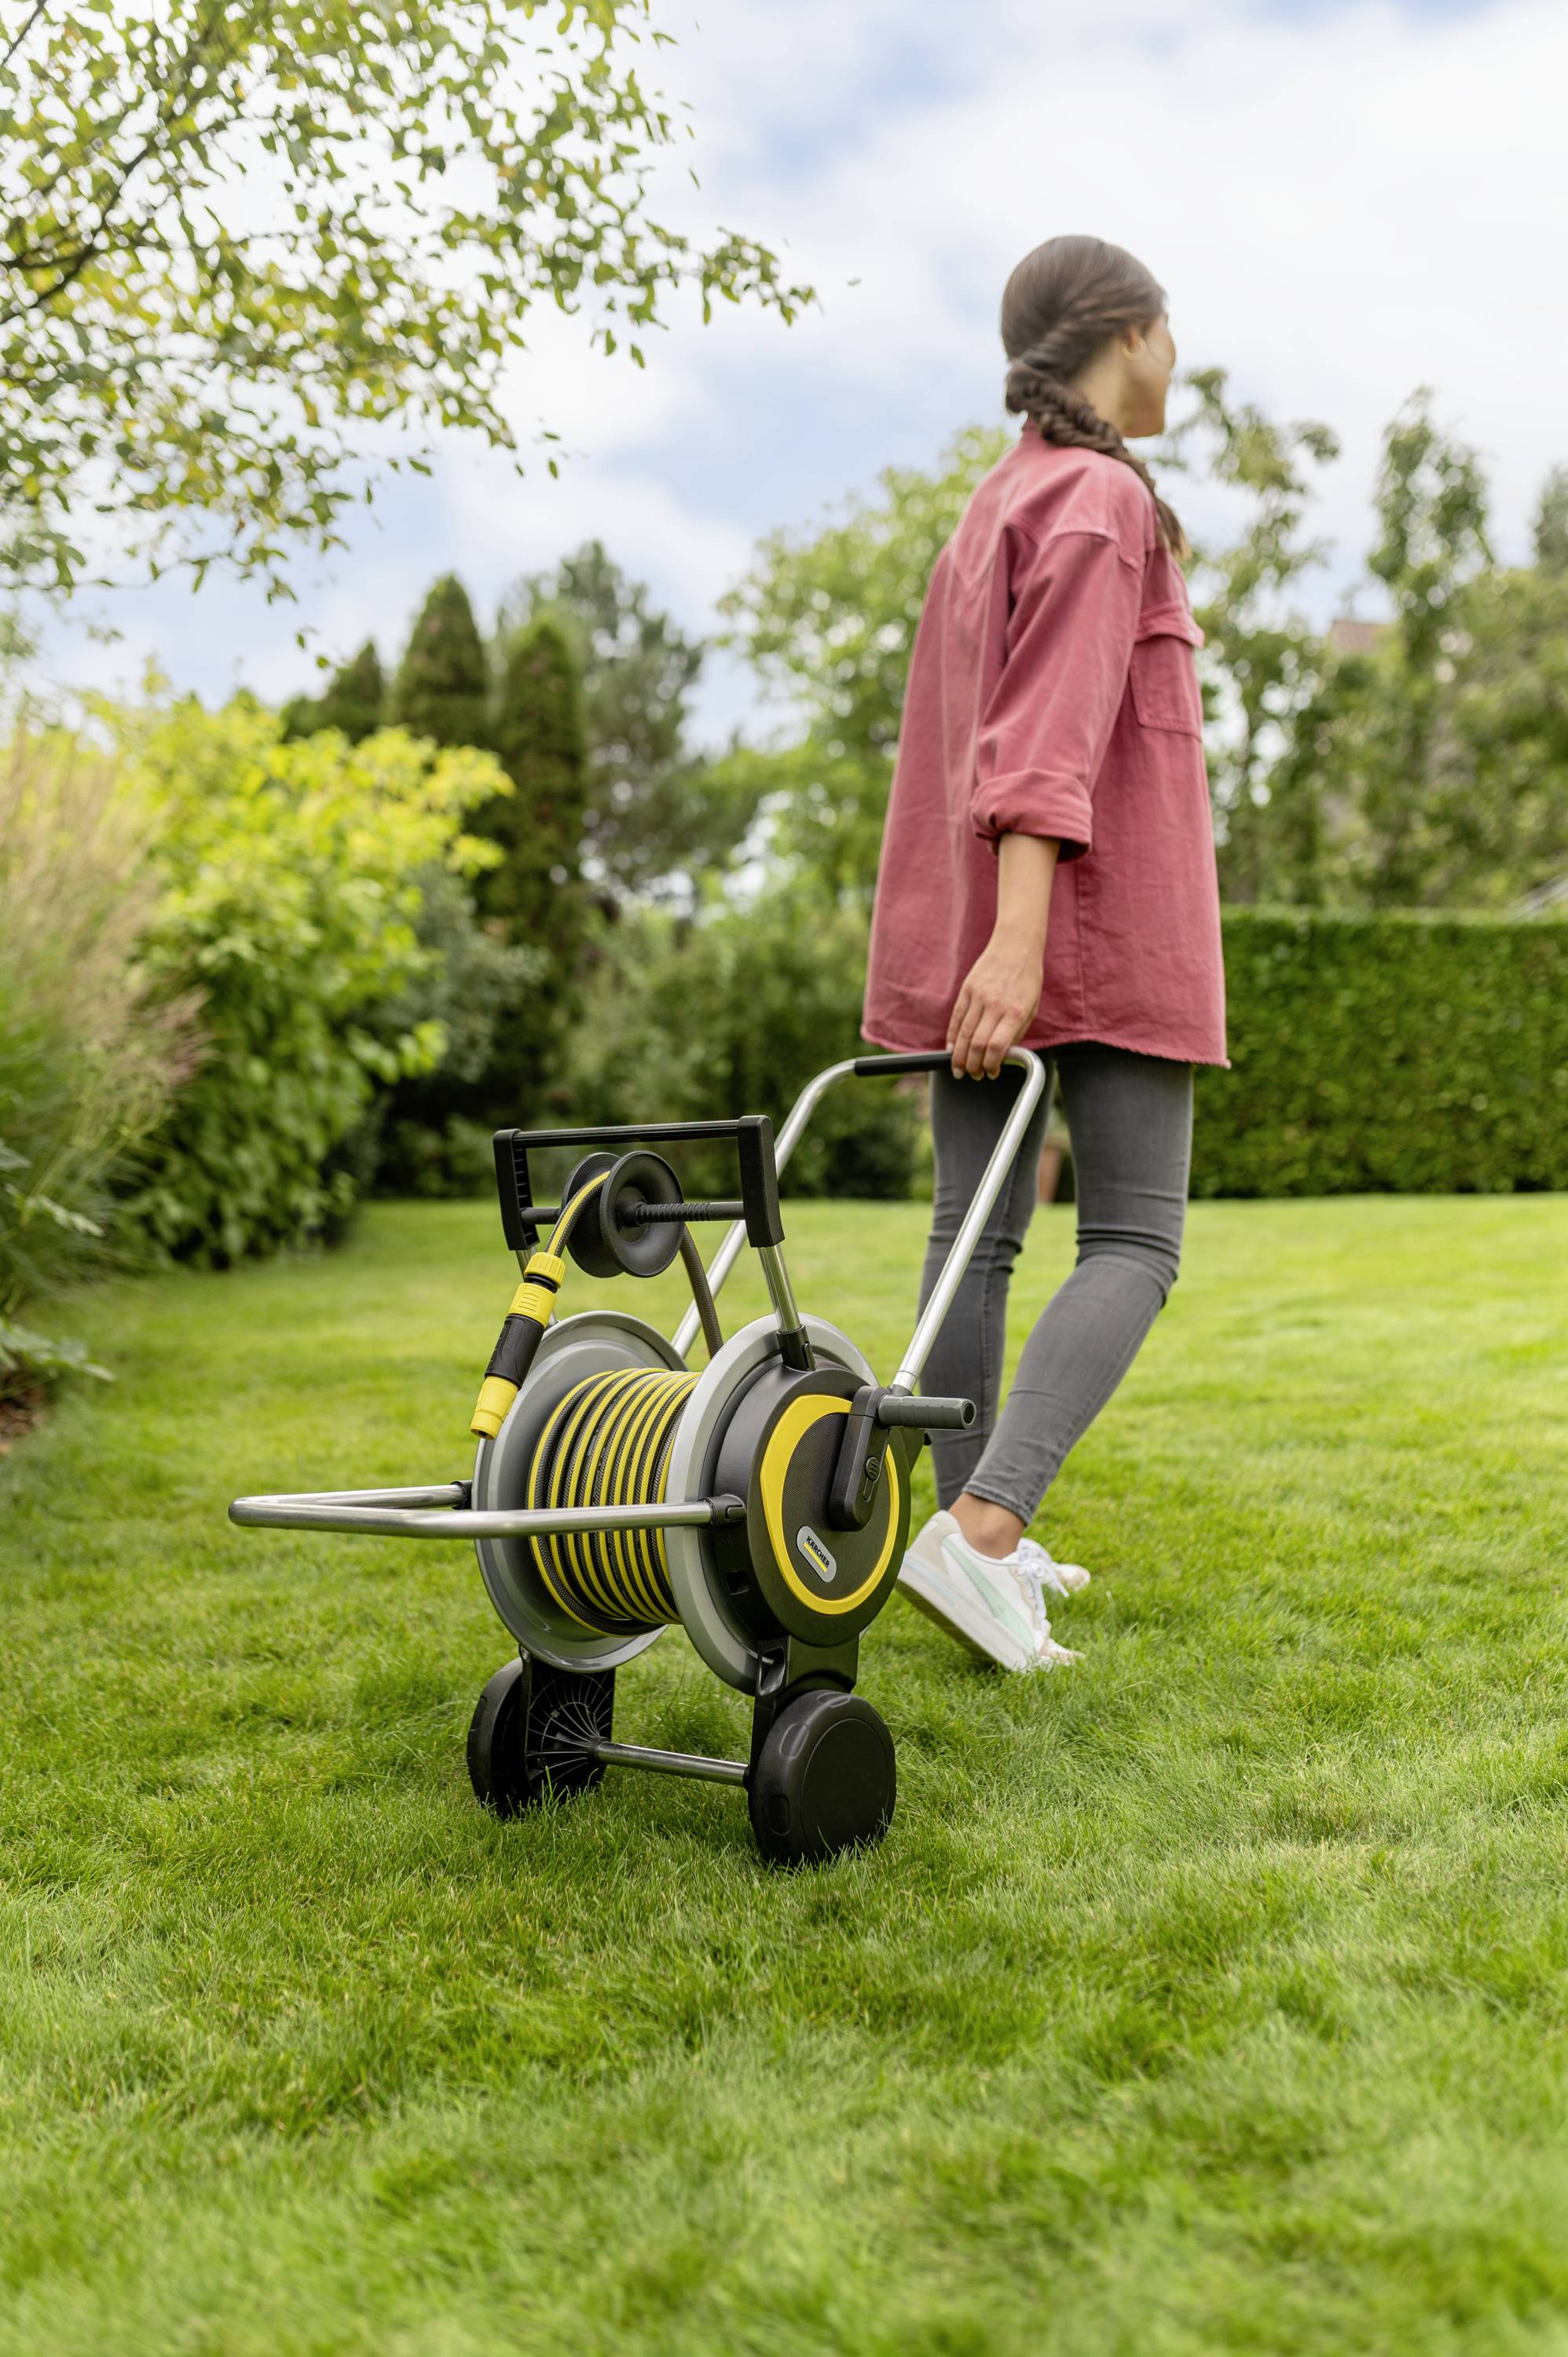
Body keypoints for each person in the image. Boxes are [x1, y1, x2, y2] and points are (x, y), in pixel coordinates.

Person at [862, 233, 1228, 1673]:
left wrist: (991, 941)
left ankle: (959, 1538)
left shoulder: (999, 503)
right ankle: (989, 1529)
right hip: (1084, 925)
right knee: (1135, 1238)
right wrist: (1020, 942)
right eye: (1169, 325)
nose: (1177, 352)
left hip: (987, 930)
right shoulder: (1093, 502)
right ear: (1126, 331)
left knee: (974, 1242)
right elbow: (1049, 736)